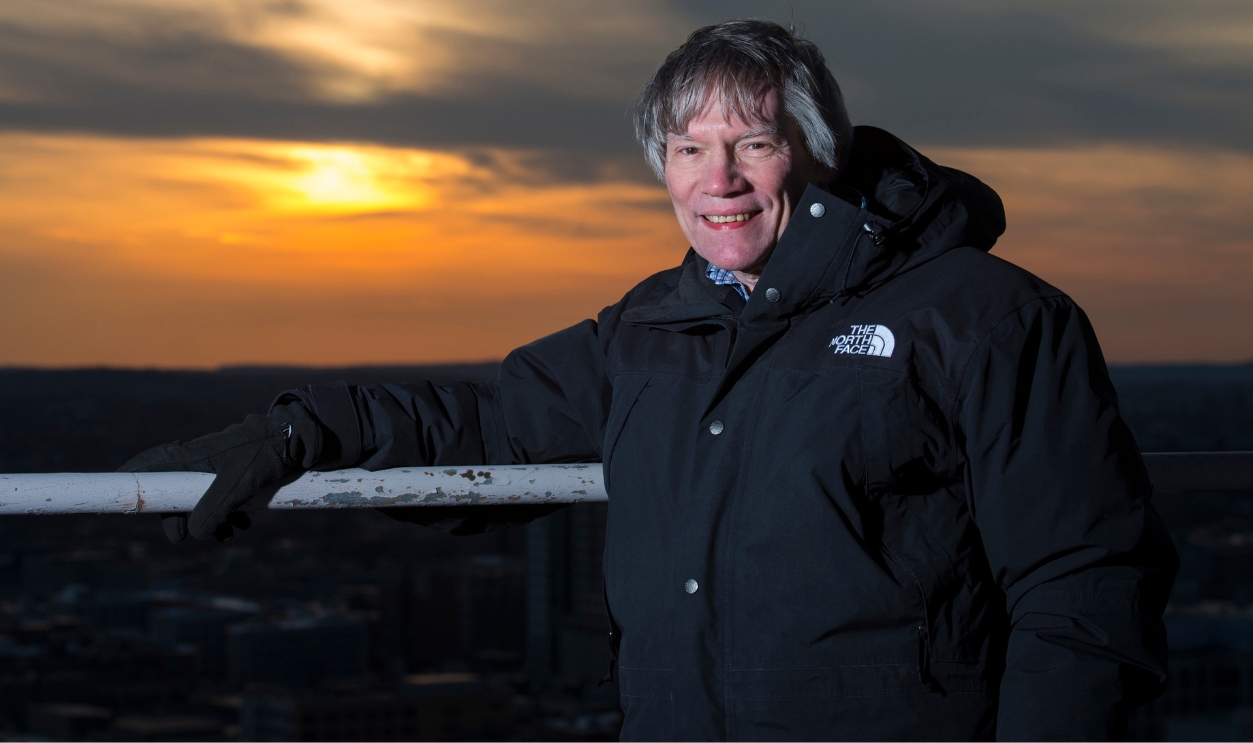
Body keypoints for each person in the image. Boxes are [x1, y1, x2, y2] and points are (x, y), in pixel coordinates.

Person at [123, 18, 1178, 740]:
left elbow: (1082, 580)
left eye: (749, 143)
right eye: (685, 149)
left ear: (814, 151)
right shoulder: (658, 323)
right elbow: (495, 421)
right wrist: (301, 431)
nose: (715, 180)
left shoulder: (981, 315)